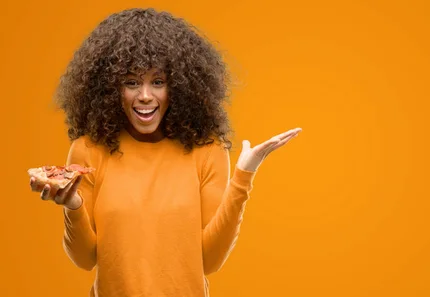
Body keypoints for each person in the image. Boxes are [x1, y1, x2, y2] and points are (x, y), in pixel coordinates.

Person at [28, 8, 301, 297]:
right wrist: (73, 206)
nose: (145, 95)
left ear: (180, 87)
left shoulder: (207, 151)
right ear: (109, 88)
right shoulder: (88, 150)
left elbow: (210, 260)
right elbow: (85, 259)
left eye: (158, 82)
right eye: (131, 82)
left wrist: (243, 176)